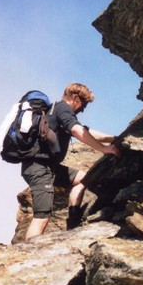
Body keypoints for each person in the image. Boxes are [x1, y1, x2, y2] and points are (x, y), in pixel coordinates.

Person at [21, 83, 120, 240]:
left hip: (49, 168)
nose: (83, 109)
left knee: (85, 179)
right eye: (84, 104)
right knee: (42, 217)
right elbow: (77, 130)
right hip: (39, 169)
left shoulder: (56, 111)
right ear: (75, 98)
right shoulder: (63, 108)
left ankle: (72, 223)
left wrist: (114, 139)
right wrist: (103, 149)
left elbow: (85, 131)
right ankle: (26, 257)